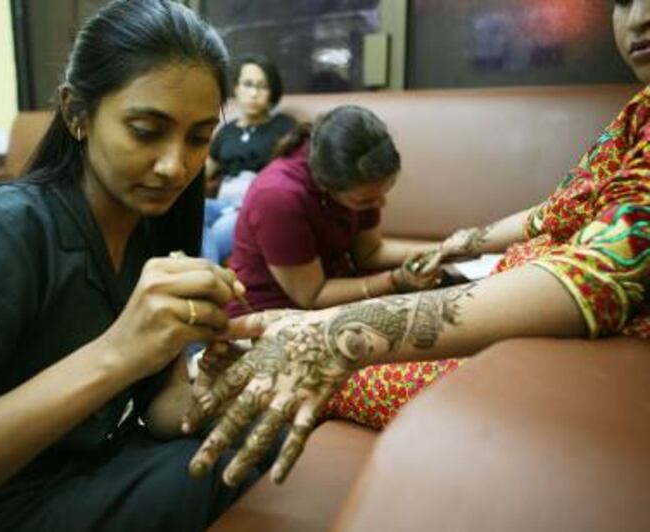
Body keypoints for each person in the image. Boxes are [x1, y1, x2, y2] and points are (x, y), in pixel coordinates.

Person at [181, 0, 650, 487]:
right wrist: (463, 247)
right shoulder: (637, 113)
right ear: (329, 188)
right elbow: (561, 211)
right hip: (304, 301)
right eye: (621, 0)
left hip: (558, 340)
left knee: (332, 364)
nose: (639, 17)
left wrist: (338, 325)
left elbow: (597, 276)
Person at [0, 1, 273, 530]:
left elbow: (160, 404)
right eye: (146, 130)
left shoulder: (154, 228)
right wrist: (117, 353)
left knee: (257, 440)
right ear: (76, 114)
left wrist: (212, 390)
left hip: (68, 471)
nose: (175, 166)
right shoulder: (5, 230)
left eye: (197, 138)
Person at [228, 104, 445, 316]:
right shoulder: (277, 198)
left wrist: (445, 250)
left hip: (336, 295)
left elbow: (369, 252)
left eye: (383, 193)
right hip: (273, 313)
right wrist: (395, 280)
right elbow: (311, 296)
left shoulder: (357, 169)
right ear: (324, 185)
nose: (380, 204)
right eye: (365, 202)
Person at [201, 54, 296, 264]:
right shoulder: (227, 131)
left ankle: (208, 290)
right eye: (248, 84)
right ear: (236, 88)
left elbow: (291, 175)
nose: (254, 93)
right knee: (193, 216)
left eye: (262, 87)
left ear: (272, 92)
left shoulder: (283, 127)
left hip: (253, 208)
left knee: (216, 233)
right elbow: (204, 171)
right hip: (222, 203)